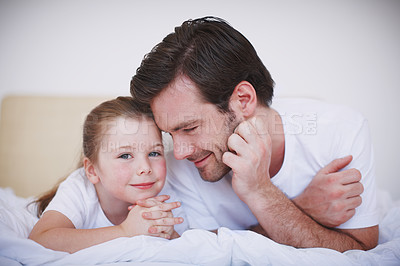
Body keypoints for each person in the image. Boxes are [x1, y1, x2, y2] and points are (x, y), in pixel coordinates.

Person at [130, 16, 379, 252]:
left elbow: (363, 249)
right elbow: (203, 252)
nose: (181, 151)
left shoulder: (339, 129)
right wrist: (296, 207)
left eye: (190, 128)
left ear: (243, 100)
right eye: (170, 133)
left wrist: (261, 192)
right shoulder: (176, 167)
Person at [29, 97, 187, 254]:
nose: (145, 168)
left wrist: (170, 235)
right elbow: (40, 240)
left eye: (154, 153)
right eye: (125, 156)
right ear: (92, 171)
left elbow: (185, 251)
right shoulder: (80, 189)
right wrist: (124, 232)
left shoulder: (165, 195)